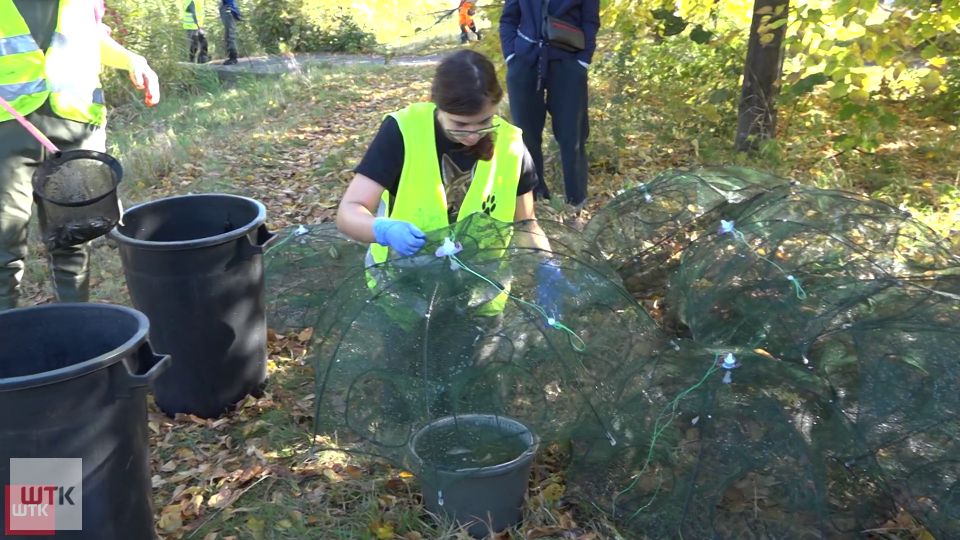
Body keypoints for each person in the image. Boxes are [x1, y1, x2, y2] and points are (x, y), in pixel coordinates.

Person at [337, 49, 571, 418]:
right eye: (459, 125)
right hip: (405, 287)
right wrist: (382, 228)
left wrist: (547, 266)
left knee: (469, 388)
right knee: (409, 384)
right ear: (436, 106)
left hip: (478, 292)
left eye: (484, 121)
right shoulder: (404, 131)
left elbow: (526, 223)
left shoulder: (511, 145)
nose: (472, 134)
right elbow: (349, 213)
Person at [0, 0, 160, 312]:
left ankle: (75, 332)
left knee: (74, 240)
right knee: (3, 248)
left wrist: (132, 59)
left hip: (77, 124)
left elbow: (90, 38)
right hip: (7, 132)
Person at [499, 0, 600, 227]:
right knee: (525, 136)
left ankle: (576, 207)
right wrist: (511, 57)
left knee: (571, 137)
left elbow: (590, 20)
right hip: (525, 62)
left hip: (568, 63)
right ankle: (535, 203)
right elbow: (508, 19)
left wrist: (582, 62)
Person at [220, 0, 241, 65]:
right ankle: (231, 56)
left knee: (230, 34)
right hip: (228, 7)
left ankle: (233, 58)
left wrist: (233, 10)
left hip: (228, 8)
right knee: (228, 34)